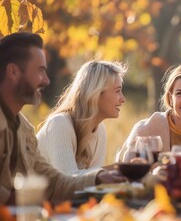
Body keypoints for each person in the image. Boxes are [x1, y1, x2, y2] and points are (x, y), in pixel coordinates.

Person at [0, 32, 125, 205]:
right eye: (40, 71)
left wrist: (100, 177)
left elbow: (54, 183)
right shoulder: (57, 124)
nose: (46, 80)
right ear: (13, 72)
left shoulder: (24, 129)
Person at [37, 60, 127, 175]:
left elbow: (92, 185)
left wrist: (122, 170)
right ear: (96, 93)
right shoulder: (59, 125)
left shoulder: (100, 130)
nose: (123, 99)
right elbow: (69, 182)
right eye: (117, 91)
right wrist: (119, 169)